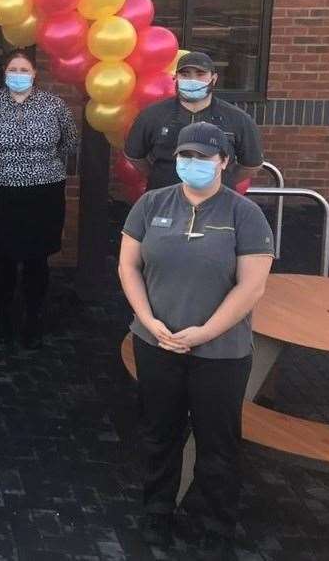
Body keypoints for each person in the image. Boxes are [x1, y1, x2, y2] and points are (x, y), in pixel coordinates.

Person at [118, 122, 273, 554]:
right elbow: (129, 267)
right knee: (159, 433)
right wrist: (147, 320)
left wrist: (205, 332)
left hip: (220, 353)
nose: (192, 164)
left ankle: (218, 525)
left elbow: (251, 286)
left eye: (204, 157)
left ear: (224, 161)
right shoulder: (151, 205)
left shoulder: (245, 214)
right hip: (157, 344)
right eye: (185, 156)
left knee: (217, 443)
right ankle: (157, 512)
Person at [0, 50, 78, 349]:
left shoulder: (54, 105)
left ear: (34, 73)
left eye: (23, 68)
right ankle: (2, 315)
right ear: (4, 73)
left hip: (43, 193)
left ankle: (33, 318)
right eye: (12, 68)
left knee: (36, 258)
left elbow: (70, 141)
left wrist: (40, 165)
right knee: (2, 257)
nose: (18, 73)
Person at [125, 51, 263, 191]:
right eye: (185, 74)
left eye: (200, 74)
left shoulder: (237, 119)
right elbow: (135, 156)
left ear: (214, 79)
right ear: (175, 78)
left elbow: (251, 165)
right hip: (163, 199)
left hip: (218, 204)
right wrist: (159, 176)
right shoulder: (152, 115)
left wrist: (223, 179)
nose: (192, 79)